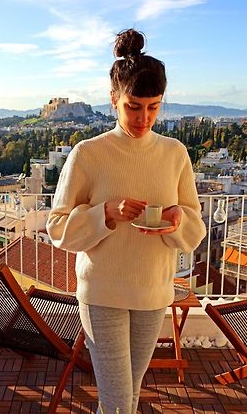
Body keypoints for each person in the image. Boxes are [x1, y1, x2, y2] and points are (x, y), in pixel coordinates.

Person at [46, 28, 206, 414]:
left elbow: (195, 227)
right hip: (103, 293)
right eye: (134, 106)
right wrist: (105, 214)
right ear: (114, 99)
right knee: (119, 404)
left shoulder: (174, 153)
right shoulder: (89, 154)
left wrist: (176, 220)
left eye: (153, 107)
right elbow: (56, 227)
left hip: (153, 293)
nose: (144, 118)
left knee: (128, 399)